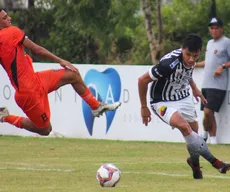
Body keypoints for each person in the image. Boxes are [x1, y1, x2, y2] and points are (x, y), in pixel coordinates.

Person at [0, 9, 121, 136]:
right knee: (45, 130)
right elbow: (37, 49)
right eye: (4, 18)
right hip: (28, 94)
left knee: (73, 75)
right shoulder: (12, 32)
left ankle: (95, 106)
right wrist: (60, 60)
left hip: (36, 80)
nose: (9, 18)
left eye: (7, 16)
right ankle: (6, 117)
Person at [138, 34, 230, 179]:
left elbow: (186, 72)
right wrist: (144, 107)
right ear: (182, 49)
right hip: (161, 101)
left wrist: (194, 88)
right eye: (188, 55)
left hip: (182, 96)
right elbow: (142, 80)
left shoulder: (191, 59)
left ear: (199, 52)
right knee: (185, 127)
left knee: (193, 134)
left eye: (195, 56)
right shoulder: (168, 63)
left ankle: (194, 163)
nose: (192, 59)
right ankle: (216, 162)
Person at [196, 17, 230, 144]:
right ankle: (212, 139)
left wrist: (223, 66)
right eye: (212, 28)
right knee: (207, 113)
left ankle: (206, 135)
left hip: (218, 85)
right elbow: (209, 61)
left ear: (222, 29)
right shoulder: (210, 43)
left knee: (208, 111)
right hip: (206, 83)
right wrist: (195, 64)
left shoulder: (227, 42)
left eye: (217, 28)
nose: (214, 30)